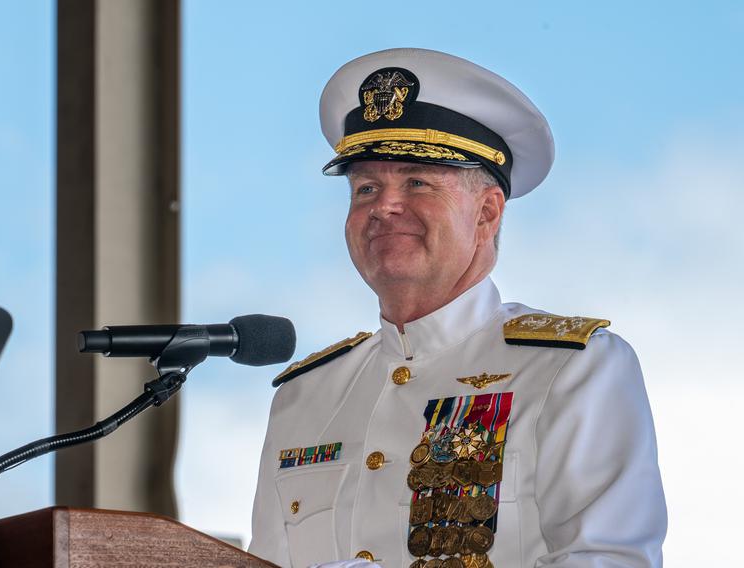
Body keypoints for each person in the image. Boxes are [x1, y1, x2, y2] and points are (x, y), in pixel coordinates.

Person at [248, 48, 667, 568]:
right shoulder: (304, 395)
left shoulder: (573, 367)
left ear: (487, 212)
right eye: (366, 187)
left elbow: (608, 560)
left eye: (417, 182)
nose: (384, 206)